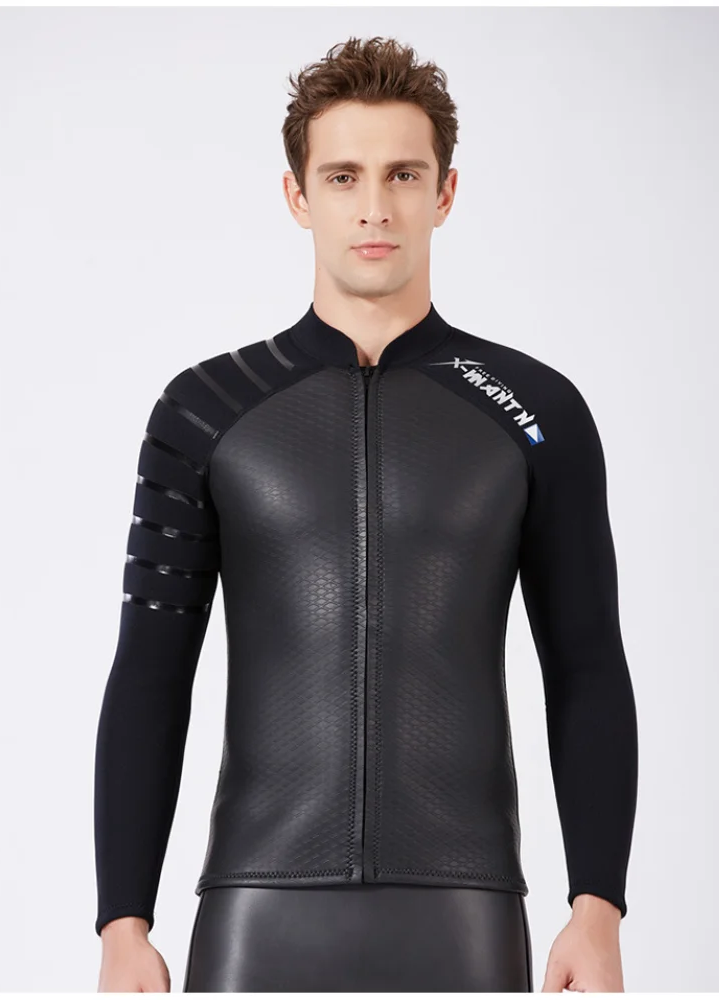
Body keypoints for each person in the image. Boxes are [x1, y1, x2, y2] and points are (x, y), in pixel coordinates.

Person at [94, 35, 638, 993]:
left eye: (403, 175)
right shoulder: (204, 410)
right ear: (298, 196)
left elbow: (587, 662)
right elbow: (150, 671)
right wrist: (121, 922)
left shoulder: (536, 411)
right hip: (256, 910)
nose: (375, 207)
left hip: (466, 909)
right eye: (343, 176)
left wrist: (597, 908)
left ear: (446, 193)